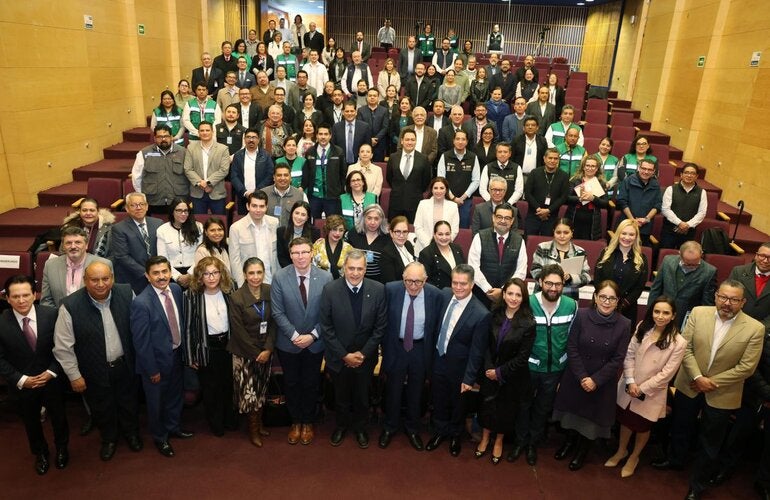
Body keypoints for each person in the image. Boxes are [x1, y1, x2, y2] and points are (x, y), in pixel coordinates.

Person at [656, 280, 763, 500]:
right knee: (681, 426)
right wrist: (697, 376)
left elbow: (747, 367)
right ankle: (675, 461)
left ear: (742, 302)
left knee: (710, 441)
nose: (727, 303)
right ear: (715, 296)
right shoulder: (698, 312)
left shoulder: (755, 328)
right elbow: (685, 347)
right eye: (723, 297)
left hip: (723, 392)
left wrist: (709, 382)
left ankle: (698, 483)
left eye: (734, 299)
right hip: (690, 383)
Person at [53, 261, 142, 462]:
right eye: (94, 280)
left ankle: (132, 434)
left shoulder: (127, 293)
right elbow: (63, 347)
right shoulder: (70, 305)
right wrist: (74, 375)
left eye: (105, 278)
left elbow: (139, 329)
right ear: (85, 281)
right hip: (94, 370)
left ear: (112, 278)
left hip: (125, 364)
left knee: (129, 403)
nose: (101, 284)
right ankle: (109, 439)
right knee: (102, 407)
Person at [552, 280, 632, 471]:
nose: (607, 301)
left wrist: (595, 380)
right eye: (603, 296)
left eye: (612, 298)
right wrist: (582, 377)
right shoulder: (581, 315)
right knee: (572, 414)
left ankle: (582, 451)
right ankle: (569, 443)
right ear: (595, 297)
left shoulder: (624, 324)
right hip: (576, 375)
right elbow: (571, 347)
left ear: (617, 301)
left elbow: (618, 358)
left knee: (589, 421)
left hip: (601, 382)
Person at [606, 296, 686, 477]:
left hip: (651, 392)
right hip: (630, 384)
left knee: (642, 426)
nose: (660, 316)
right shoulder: (643, 327)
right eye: (657, 311)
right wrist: (630, 381)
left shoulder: (679, 342)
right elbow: (629, 355)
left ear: (673, 315)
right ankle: (621, 450)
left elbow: (667, 374)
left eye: (666, 313)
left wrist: (641, 389)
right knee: (626, 420)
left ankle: (634, 456)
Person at [508, 264, 578, 465]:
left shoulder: (571, 306)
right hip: (529, 368)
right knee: (524, 406)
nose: (553, 288)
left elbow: (573, 340)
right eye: (549, 283)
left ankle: (532, 444)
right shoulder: (527, 303)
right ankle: (520, 442)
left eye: (558, 284)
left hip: (555, 369)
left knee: (542, 409)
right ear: (540, 282)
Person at [715, 244, 770, 495]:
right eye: (762, 255)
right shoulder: (739, 272)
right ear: (755, 256)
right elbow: (728, 299)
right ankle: (724, 466)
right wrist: (746, 325)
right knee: (738, 423)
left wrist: (758, 328)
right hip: (735, 338)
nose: (765, 260)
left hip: (764, 338)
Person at [0, 275, 69, 475]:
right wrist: (22, 380)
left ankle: (63, 448)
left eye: (26, 295)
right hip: (22, 384)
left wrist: (51, 372)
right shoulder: (1, 323)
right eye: (16, 296)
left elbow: (63, 348)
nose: (21, 300)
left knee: (59, 417)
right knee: (30, 422)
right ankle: (40, 453)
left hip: (52, 379)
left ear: (35, 294)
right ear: (7, 298)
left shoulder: (52, 315)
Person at [320, 250, 387, 448]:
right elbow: (326, 326)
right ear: (344, 269)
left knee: (362, 397)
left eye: (359, 269)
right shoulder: (330, 289)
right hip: (338, 357)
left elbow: (380, 327)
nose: (355, 273)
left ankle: (360, 428)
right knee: (340, 397)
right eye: (351, 268)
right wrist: (344, 355)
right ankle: (341, 426)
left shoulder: (378, 289)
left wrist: (363, 353)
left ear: (365, 269)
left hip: (365, 358)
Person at [272, 238, 333, 445]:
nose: (300, 257)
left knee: (311, 383)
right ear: (290, 255)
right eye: (296, 253)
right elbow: (278, 312)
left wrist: (313, 335)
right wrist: (295, 336)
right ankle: (295, 421)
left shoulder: (325, 277)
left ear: (311, 253)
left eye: (304, 252)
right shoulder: (280, 277)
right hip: (289, 344)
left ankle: (307, 421)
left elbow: (328, 313)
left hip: (315, 343)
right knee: (291, 383)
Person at [426, 264, 491, 457]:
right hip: (438, 360)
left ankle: (455, 435)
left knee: (458, 405)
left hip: (460, 369)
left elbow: (477, 351)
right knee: (438, 400)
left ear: (471, 284)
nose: (458, 287)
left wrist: (469, 378)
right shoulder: (445, 295)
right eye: (455, 282)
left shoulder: (481, 313)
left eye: (463, 284)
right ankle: (439, 431)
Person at [131, 256, 192, 458]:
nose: (161, 276)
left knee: (176, 395)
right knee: (156, 402)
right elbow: (141, 342)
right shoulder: (141, 302)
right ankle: (160, 437)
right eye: (156, 273)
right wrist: (152, 370)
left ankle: (174, 427)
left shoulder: (175, 290)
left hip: (177, 355)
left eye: (165, 271)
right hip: (155, 363)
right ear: (147, 276)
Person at [380, 262, 444, 451]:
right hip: (396, 347)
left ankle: (413, 428)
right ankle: (389, 427)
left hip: (420, 348)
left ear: (425, 280)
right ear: (403, 278)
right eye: (408, 281)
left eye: (418, 281)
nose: (413, 285)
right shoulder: (390, 290)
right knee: (393, 389)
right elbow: (383, 320)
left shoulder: (435, 295)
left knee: (416, 391)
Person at [477, 278, 536, 465]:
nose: (513, 298)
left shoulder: (529, 323)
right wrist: (488, 368)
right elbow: (484, 344)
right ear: (503, 295)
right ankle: (485, 438)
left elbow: (522, 357)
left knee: (505, 409)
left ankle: (499, 441)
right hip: (489, 371)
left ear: (523, 298)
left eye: (518, 295)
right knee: (486, 406)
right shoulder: (493, 314)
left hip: (511, 376)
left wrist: (500, 372)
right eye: (510, 293)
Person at [184, 257, 237, 436]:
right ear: (199, 276)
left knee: (228, 385)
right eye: (206, 274)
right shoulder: (192, 295)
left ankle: (230, 419)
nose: (211, 277)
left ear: (221, 274)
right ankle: (216, 423)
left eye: (215, 273)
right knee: (211, 388)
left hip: (228, 346)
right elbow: (189, 326)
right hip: (207, 347)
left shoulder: (230, 290)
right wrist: (191, 356)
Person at [228, 257, 276, 447]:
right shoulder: (237, 297)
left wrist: (268, 348)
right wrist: (257, 353)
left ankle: (260, 423)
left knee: (262, 389)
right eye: (251, 273)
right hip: (245, 353)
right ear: (245, 275)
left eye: (259, 272)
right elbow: (238, 330)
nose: (255, 277)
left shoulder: (269, 291)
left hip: (266, 350)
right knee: (250, 394)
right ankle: (253, 429)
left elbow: (274, 323)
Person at [468, 203, 527, 308]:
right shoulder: (479, 237)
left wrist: (504, 291)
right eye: (499, 217)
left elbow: (521, 271)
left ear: (512, 221)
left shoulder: (519, 241)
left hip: (508, 298)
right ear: (493, 217)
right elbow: (473, 267)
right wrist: (488, 289)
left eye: (507, 218)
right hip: (481, 294)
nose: (503, 221)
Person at [648, 241, 717, 328]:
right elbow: (655, 289)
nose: (691, 266)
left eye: (695, 264)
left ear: (701, 254)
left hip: (686, 318)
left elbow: (707, 304)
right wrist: (650, 312)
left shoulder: (709, 272)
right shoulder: (667, 261)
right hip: (662, 314)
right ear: (680, 254)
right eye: (687, 263)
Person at [41, 226, 112, 308]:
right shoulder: (50, 265)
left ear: (86, 245)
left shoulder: (104, 264)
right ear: (63, 246)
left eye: (78, 242)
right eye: (68, 243)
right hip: (59, 317)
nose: (73, 246)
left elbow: (107, 299)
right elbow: (46, 300)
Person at [594, 219, 649, 324]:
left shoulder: (642, 259)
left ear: (636, 237)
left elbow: (639, 287)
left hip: (627, 309)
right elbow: (597, 279)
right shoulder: (605, 253)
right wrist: (607, 301)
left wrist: (621, 305)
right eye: (624, 233)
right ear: (618, 234)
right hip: (602, 305)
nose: (627, 238)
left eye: (631, 234)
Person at [109, 192, 162, 294]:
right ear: (127, 209)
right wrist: (146, 273)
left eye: (141, 204)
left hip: (158, 276)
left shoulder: (158, 223)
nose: (138, 208)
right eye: (133, 205)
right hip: (133, 278)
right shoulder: (119, 228)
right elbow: (122, 256)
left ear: (147, 207)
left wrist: (157, 271)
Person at [131, 124, 189, 216]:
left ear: (171, 137)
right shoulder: (144, 153)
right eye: (159, 137)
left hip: (178, 200)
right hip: (153, 201)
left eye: (166, 136)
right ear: (154, 138)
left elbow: (190, 174)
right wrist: (142, 197)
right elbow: (136, 177)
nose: (163, 139)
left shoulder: (184, 152)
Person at [530, 219, 591, 300]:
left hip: (568, 297)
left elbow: (586, 277)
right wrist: (552, 279)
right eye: (558, 232)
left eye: (566, 232)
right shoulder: (542, 247)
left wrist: (570, 278)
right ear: (553, 232)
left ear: (572, 233)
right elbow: (535, 271)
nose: (562, 236)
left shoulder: (579, 252)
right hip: (543, 294)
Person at [228, 191, 280, 286]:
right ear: (248, 206)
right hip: (249, 282)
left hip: (271, 279)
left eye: (261, 206)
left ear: (266, 207)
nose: (258, 210)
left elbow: (278, 255)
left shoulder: (274, 223)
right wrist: (241, 285)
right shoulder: (236, 228)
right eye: (254, 206)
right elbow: (235, 260)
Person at [183, 121, 231, 215]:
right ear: (198, 132)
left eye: (207, 130)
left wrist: (208, 182)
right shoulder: (191, 148)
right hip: (197, 193)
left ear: (212, 132)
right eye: (202, 130)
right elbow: (188, 169)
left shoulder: (223, 149)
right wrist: (200, 183)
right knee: (198, 223)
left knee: (218, 223)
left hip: (217, 193)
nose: (205, 133)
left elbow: (224, 170)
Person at [436, 129, 480, 229]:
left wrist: (462, 198)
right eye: (458, 139)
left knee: (463, 229)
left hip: (465, 201)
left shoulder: (473, 157)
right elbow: (441, 179)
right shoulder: (445, 156)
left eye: (463, 139)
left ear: (467, 142)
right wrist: (453, 198)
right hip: (447, 199)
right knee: (445, 228)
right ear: (453, 140)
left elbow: (476, 180)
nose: (460, 142)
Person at [155, 198, 203, 288]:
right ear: (172, 211)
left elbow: (201, 254)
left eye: (186, 211)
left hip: (195, 271)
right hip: (171, 274)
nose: (183, 214)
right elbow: (163, 258)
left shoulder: (198, 227)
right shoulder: (162, 230)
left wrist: (190, 274)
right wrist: (177, 277)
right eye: (179, 211)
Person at [302, 124, 346, 219]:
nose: (323, 137)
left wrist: (340, 191)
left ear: (330, 136)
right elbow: (307, 173)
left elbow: (343, 174)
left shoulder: (338, 152)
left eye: (326, 134)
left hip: (333, 197)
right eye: (320, 134)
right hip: (314, 197)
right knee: (313, 224)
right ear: (316, 136)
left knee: (333, 224)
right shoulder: (310, 152)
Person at [523, 148, 571, 236]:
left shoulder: (564, 176)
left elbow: (563, 197)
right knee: (529, 243)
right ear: (544, 159)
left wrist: (548, 210)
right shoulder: (534, 173)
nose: (552, 161)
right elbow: (528, 194)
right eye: (550, 158)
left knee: (548, 245)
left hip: (551, 217)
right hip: (533, 215)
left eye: (555, 158)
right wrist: (538, 209)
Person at [386, 129, 431, 222]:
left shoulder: (423, 159)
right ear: (402, 141)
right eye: (407, 140)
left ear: (416, 141)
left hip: (415, 203)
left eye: (412, 140)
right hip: (396, 203)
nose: (410, 142)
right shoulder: (393, 157)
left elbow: (426, 180)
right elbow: (389, 178)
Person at [660, 162, 707, 249]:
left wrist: (687, 225)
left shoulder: (702, 192)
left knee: (685, 257)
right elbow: (665, 209)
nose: (689, 175)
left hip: (689, 232)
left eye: (692, 173)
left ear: (697, 176)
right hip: (669, 231)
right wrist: (679, 223)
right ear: (681, 175)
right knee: (665, 254)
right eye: (686, 172)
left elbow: (702, 212)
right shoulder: (671, 189)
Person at [616, 158, 662, 245]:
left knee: (639, 253)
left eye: (649, 170)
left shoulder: (656, 185)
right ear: (639, 168)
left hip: (645, 227)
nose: (646, 172)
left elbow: (658, 204)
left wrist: (646, 219)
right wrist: (632, 220)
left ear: (653, 171)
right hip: (626, 224)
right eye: (644, 168)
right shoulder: (628, 181)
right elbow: (622, 201)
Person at [564, 155, 610, 240]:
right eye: (587, 165)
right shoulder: (575, 181)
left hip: (592, 219)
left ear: (597, 169)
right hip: (574, 216)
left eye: (593, 166)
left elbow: (605, 203)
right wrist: (580, 199)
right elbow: (566, 198)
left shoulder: (601, 183)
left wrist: (593, 198)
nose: (590, 168)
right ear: (583, 167)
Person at [230, 128, 275, 215]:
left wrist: (257, 191)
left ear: (258, 139)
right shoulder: (238, 155)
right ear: (244, 139)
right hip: (243, 196)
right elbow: (234, 176)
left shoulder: (266, 155)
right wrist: (245, 192)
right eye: (248, 137)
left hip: (261, 196)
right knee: (243, 224)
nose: (251, 140)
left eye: (254, 137)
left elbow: (269, 175)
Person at [346, 204, 391, 283]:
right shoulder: (354, 233)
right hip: (355, 278)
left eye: (376, 219)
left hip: (378, 281)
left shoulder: (387, 237)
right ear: (363, 218)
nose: (372, 222)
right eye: (369, 218)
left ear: (381, 220)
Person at [414, 177, 459, 253]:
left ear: (446, 190)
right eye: (435, 188)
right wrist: (430, 245)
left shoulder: (453, 206)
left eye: (442, 188)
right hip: (423, 248)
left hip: (444, 248)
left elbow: (454, 230)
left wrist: (442, 244)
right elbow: (418, 227)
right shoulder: (423, 204)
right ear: (431, 189)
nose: (438, 191)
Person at [419, 221, 466, 290]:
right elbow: (426, 282)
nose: (444, 238)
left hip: (460, 290)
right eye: (440, 234)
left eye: (447, 234)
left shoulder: (457, 249)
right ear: (434, 235)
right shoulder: (426, 254)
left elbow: (464, 271)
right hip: (439, 294)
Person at [261, 161, 307, 226]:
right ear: (274, 177)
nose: (282, 178)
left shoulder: (301, 195)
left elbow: (306, 219)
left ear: (290, 177)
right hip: (268, 234)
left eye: (286, 175)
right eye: (279, 175)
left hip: (291, 234)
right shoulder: (263, 194)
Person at [276, 201, 319, 268]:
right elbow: (281, 257)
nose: (299, 217)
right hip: (288, 270)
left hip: (307, 269)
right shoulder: (281, 231)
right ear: (292, 214)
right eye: (297, 213)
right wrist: (293, 270)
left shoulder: (314, 232)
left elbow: (314, 255)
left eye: (303, 215)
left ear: (307, 217)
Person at [312, 215, 353, 280]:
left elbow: (351, 270)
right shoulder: (318, 245)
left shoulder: (348, 248)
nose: (337, 233)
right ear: (328, 229)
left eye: (341, 230)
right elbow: (312, 268)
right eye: (334, 229)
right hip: (321, 282)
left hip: (342, 284)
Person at [332, 101, 372, 166]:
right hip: (341, 164)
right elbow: (333, 147)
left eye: (352, 111)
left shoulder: (364, 127)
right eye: (347, 111)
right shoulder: (336, 127)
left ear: (356, 112)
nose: (349, 113)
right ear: (343, 112)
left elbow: (368, 146)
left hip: (360, 164)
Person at [380, 216, 417, 283]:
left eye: (405, 231)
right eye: (398, 231)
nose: (401, 235)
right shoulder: (386, 253)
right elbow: (390, 282)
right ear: (391, 233)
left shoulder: (408, 245)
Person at [357, 88, 390, 161]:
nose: (372, 97)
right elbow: (360, 127)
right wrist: (369, 139)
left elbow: (385, 127)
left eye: (374, 96)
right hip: (365, 143)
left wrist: (376, 139)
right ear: (367, 97)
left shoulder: (384, 110)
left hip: (380, 144)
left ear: (378, 98)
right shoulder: (361, 110)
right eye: (370, 95)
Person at [512, 116, 548, 181]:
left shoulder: (542, 141)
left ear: (537, 127)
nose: (530, 127)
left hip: (537, 176)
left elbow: (544, 159)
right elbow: (512, 158)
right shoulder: (517, 140)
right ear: (524, 128)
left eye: (533, 125)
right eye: (527, 125)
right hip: (519, 175)